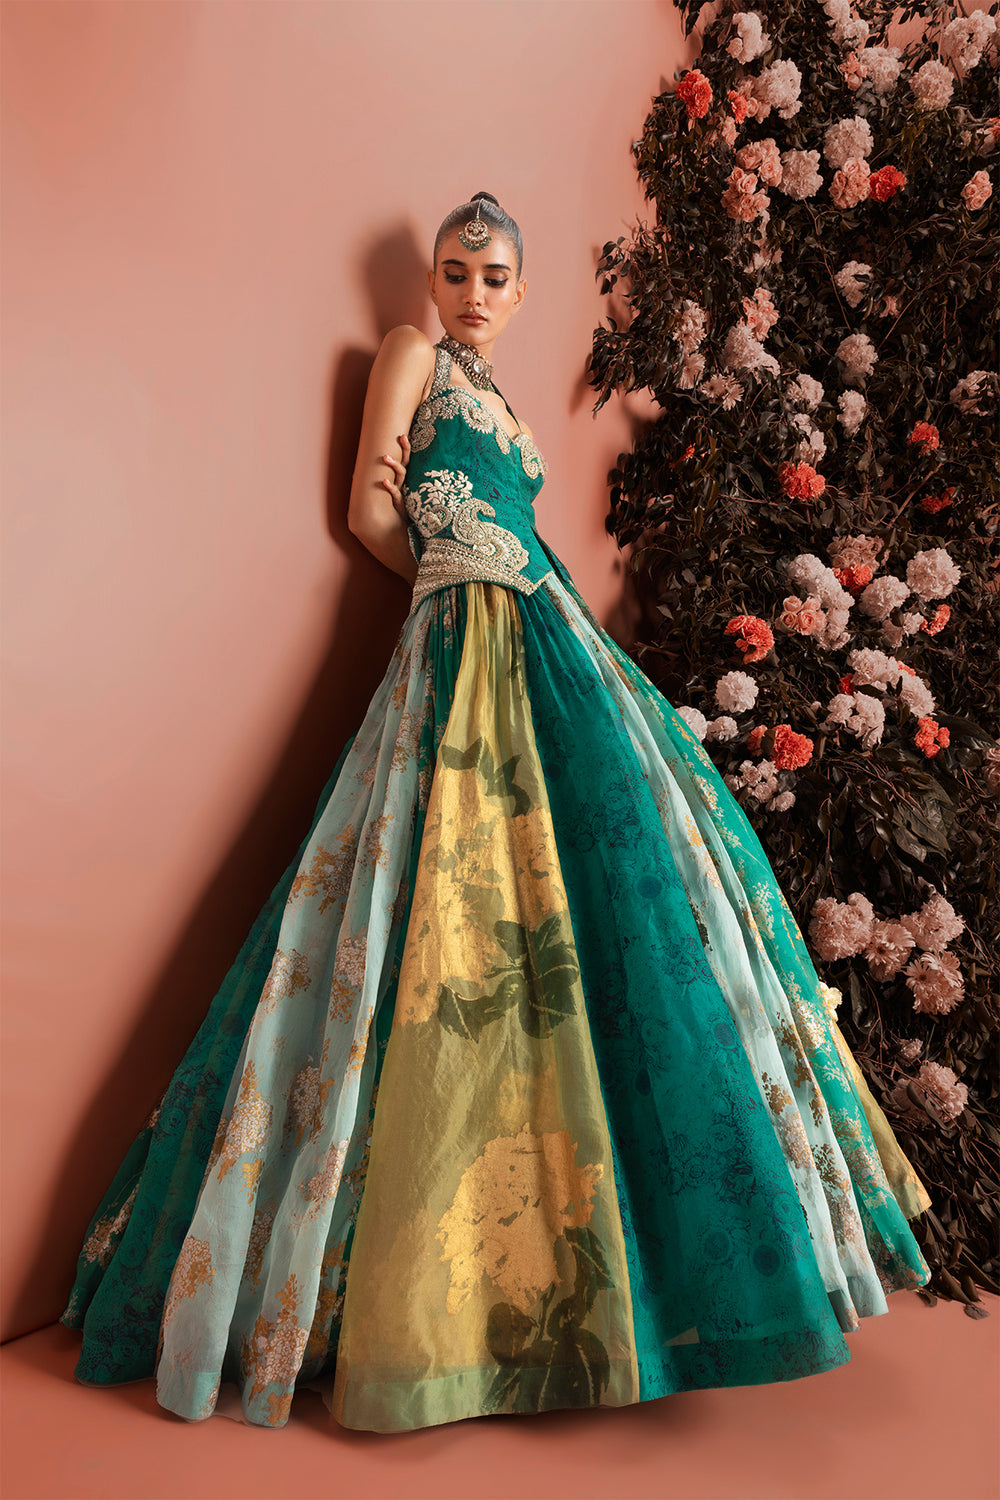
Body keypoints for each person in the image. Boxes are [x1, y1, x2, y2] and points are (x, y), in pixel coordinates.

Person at [61, 190, 934, 1435]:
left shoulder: (504, 400)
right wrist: (451, 569)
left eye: (495, 276)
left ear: (521, 295)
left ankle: (634, 1275)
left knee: (634, 886)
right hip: (467, 629)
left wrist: (498, 568)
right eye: (455, 270)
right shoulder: (409, 356)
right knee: (444, 890)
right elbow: (370, 507)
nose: (472, 291)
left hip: (549, 627)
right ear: (433, 280)